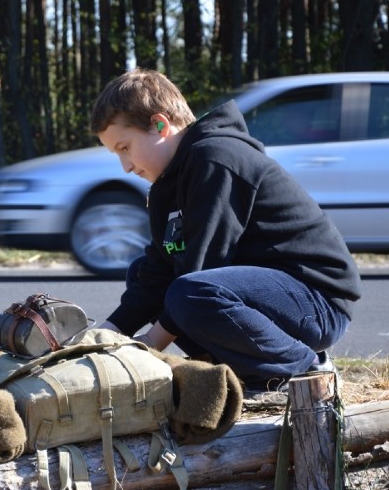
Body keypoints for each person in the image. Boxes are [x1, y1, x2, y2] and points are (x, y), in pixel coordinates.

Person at [90, 68, 362, 395]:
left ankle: (303, 368)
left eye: (125, 148)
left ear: (160, 125)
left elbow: (204, 266)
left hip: (316, 300)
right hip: (267, 299)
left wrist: (144, 348)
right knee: (143, 274)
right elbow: (159, 268)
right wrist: (107, 337)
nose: (126, 166)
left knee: (188, 293)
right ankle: (241, 371)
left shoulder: (216, 157)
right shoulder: (167, 184)